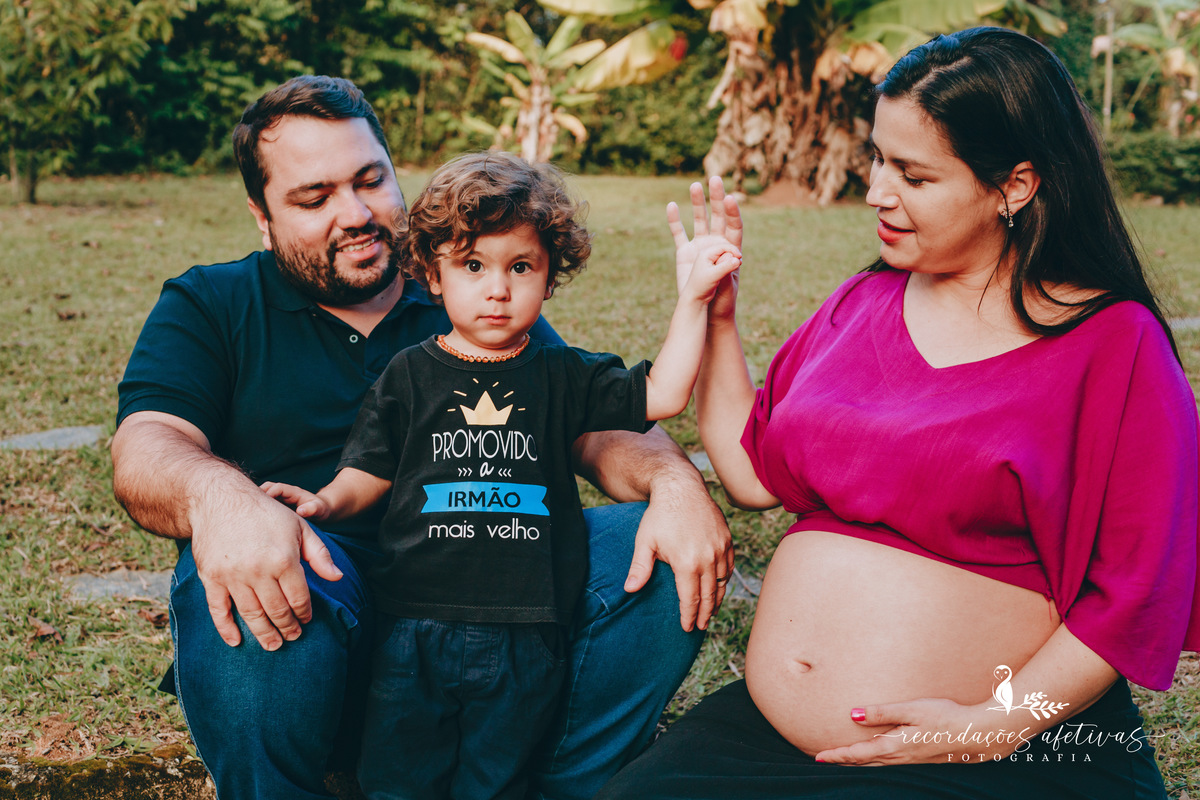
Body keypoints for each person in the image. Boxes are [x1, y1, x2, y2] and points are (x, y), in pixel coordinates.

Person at [598, 26, 1199, 800]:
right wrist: (717, 318)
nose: (877, 190)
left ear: (1015, 185)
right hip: (775, 740)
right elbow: (750, 474)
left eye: (913, 174)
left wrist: (999, 722)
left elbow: (1137, 597)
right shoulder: (861, 302)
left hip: (1004, 749)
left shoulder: (1114, 343)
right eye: (878, 157)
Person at [110, 75, 735, 800]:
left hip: (491, 594)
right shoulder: (212, 304)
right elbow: (147, 444)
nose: (356, 213)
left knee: (653, 548)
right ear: (262, 216)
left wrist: (675, 483)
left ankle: (561, 783)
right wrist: (221, 496)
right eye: (314, 198)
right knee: (251, 567)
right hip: (317, 600)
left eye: (370, 180)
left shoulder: (474, 295)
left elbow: (594, 426)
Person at [260, 151, 741, 799]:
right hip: (412, 628)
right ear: (433, 274)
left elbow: (664, 395)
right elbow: (368, 473)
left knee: (498, 783)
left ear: (549, 277)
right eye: (473, 266)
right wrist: (320, 504)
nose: (498, 288)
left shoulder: (558, 373)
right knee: (397, 782)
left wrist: (694, 300)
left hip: (529, 633)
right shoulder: (408, 373)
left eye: (521, 267)